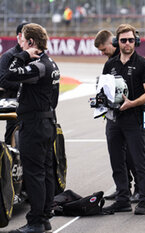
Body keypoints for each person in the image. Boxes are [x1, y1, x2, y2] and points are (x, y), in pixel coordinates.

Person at [5, 23, 59, 233]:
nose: (20, 44)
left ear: (30, 42)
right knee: (45, 172)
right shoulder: (51, 62)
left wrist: (23, 56)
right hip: (47, 122)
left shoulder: (38, 65)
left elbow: (10, 75)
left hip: (34, 125)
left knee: (35, 173)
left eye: (23, 40)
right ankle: (44, 217)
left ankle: (36, 221)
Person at [101, 24, 145, 215]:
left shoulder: (144, 64)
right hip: (113, 119)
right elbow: (104, 90)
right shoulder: (110, 64)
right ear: (117, 42)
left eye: (131, 40)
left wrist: (132, 103)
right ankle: (122, 199)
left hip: (135, 117)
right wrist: (99, 102)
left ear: (136, 41)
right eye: (123, 40)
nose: (127, 43)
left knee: (139, 160)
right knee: (116, 160)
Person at [94, 29, 140, 202]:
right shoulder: (110, 63)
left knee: (134, 155)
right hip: (115, 116)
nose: (103, 53)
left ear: (113, 43)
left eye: (103, 49)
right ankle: (124, 189)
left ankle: (140, 189)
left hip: (135, 115)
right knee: (118, 156)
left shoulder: (134, 60)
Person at [0, 22, 29, 145]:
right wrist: (24, 86)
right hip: (12, 101)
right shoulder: (8, 56)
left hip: (31, 103)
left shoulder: (34, 55)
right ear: (20, 36)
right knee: (12, 130)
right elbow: (2, 80)